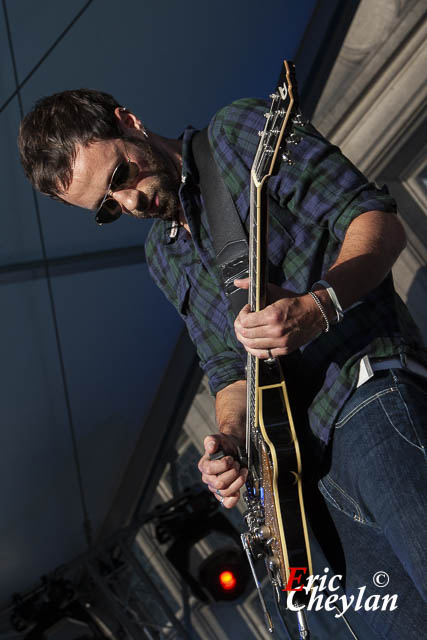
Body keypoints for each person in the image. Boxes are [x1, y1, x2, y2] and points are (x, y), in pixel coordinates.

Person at [18, 89, 427, 638]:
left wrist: (317, 307)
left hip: (360, 391)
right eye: (109, 207)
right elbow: (226, 367)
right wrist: (229, 441)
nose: (131, 201)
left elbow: (376, 221)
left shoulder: (234, 134)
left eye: (120, 175)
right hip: (294, 477)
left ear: (130, 122)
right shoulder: (161, 254)